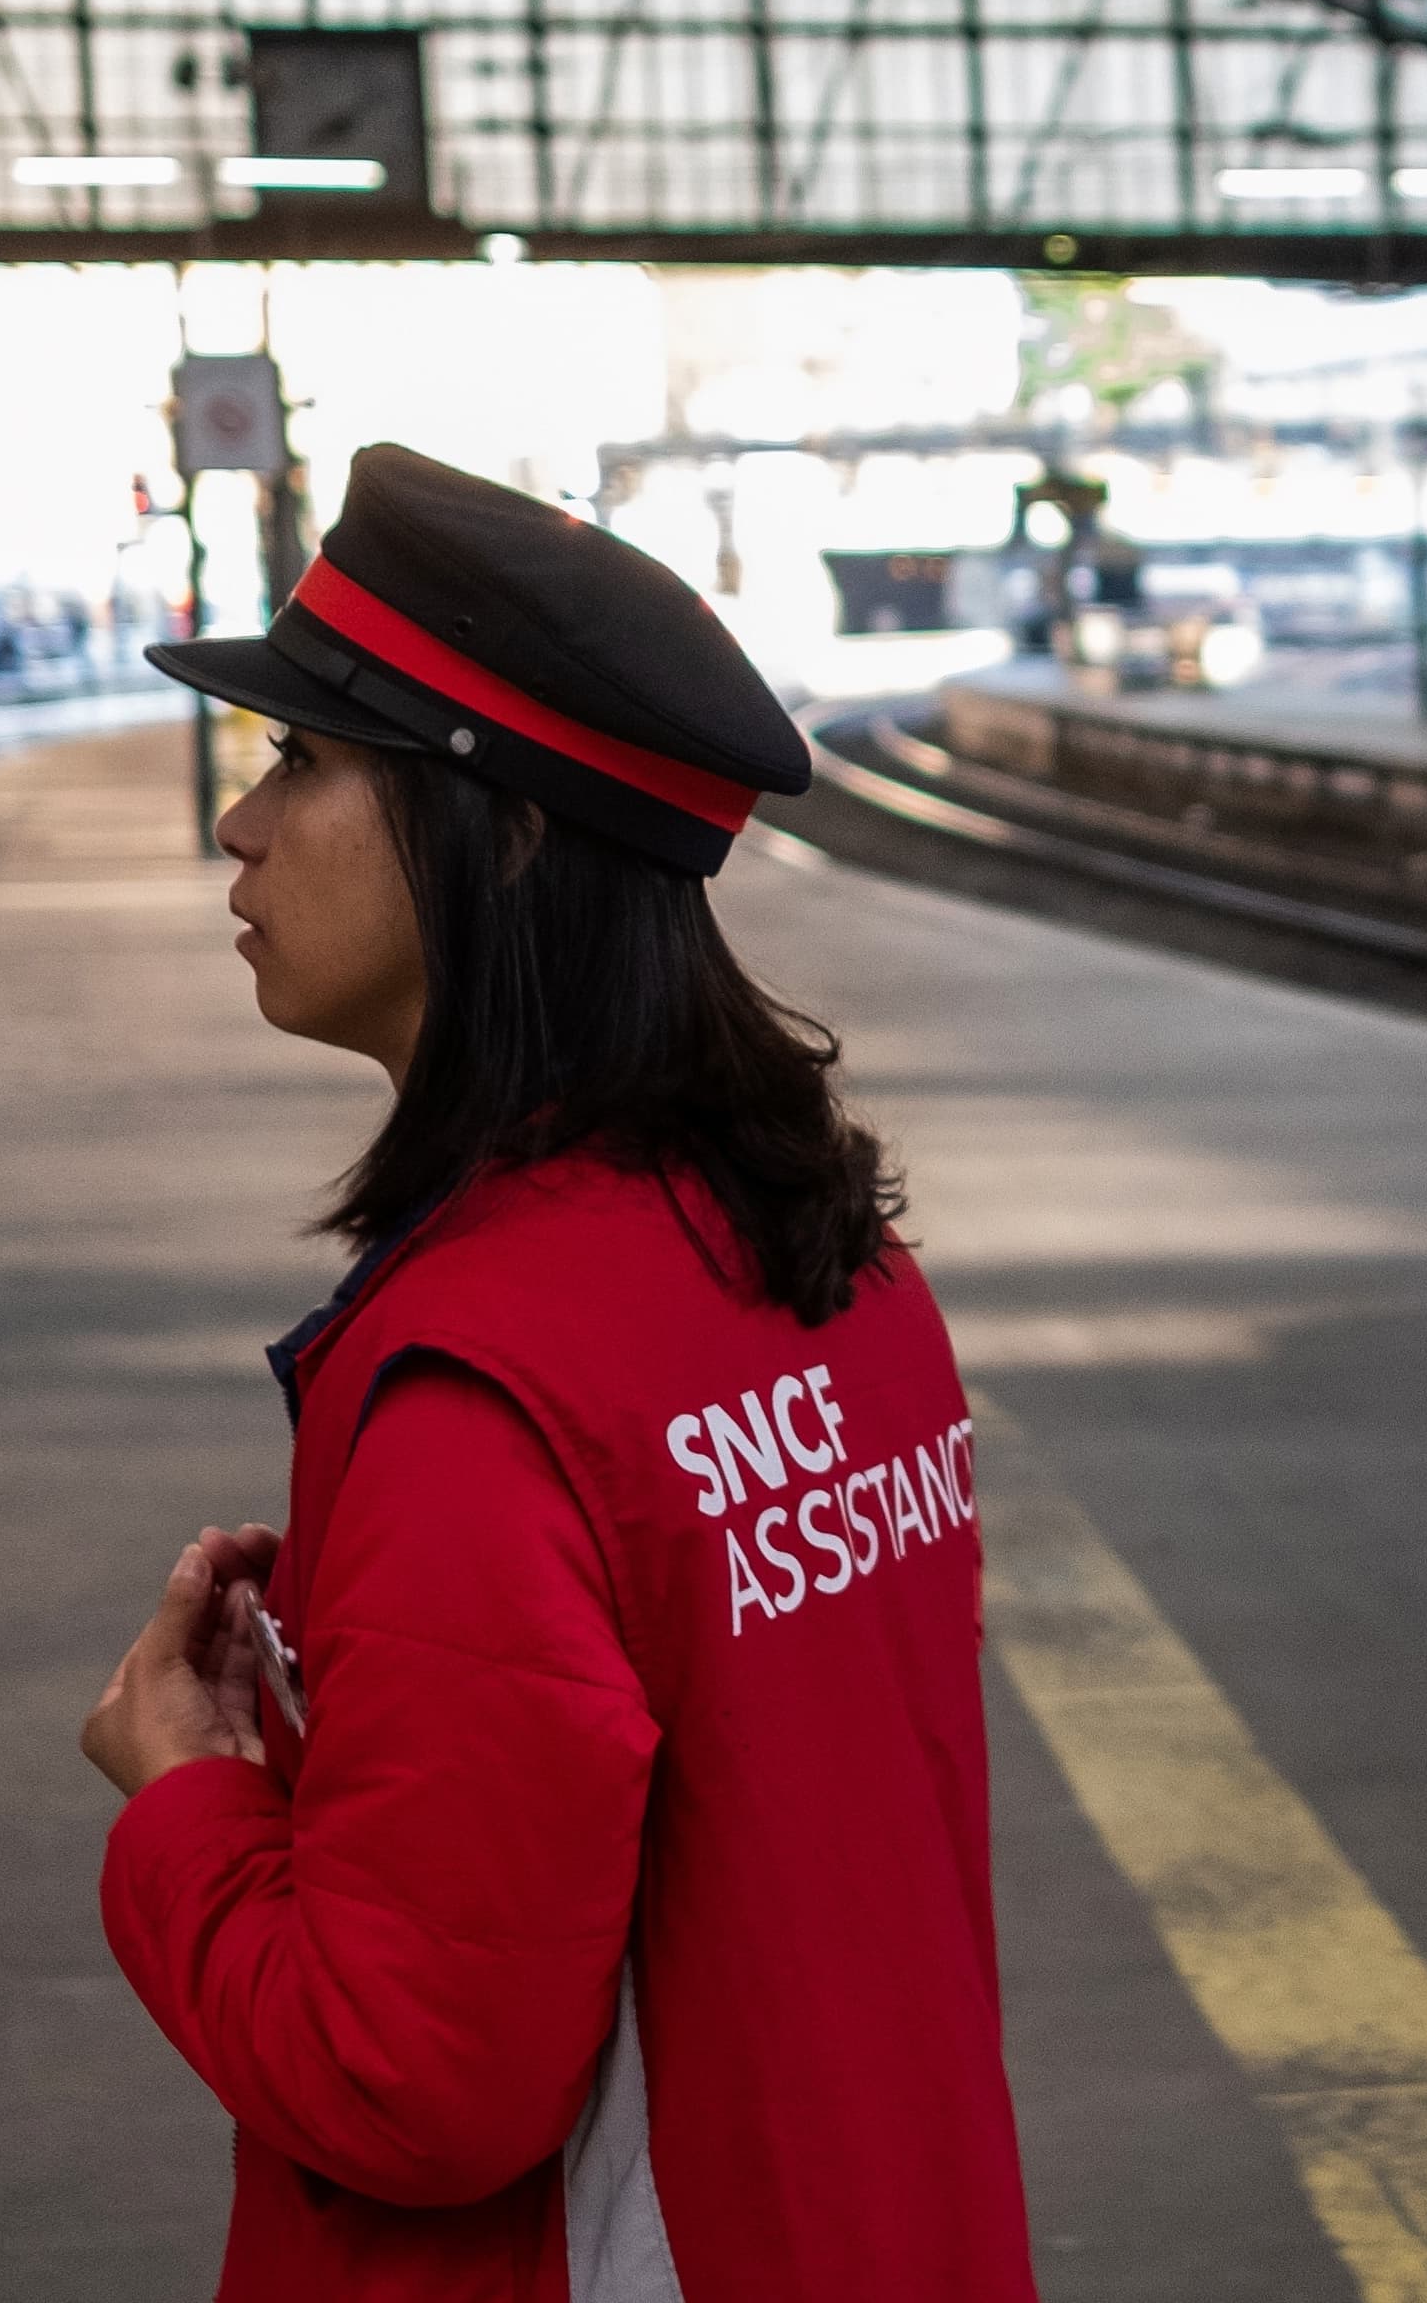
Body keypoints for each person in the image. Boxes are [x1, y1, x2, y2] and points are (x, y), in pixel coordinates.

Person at [80, 443, 1033, 2303]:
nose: (238, 826)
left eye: (302, 762)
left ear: (499, 830)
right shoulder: (834, 1266)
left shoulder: (480, 1388)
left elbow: (412, 2082)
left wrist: (181, 1791)